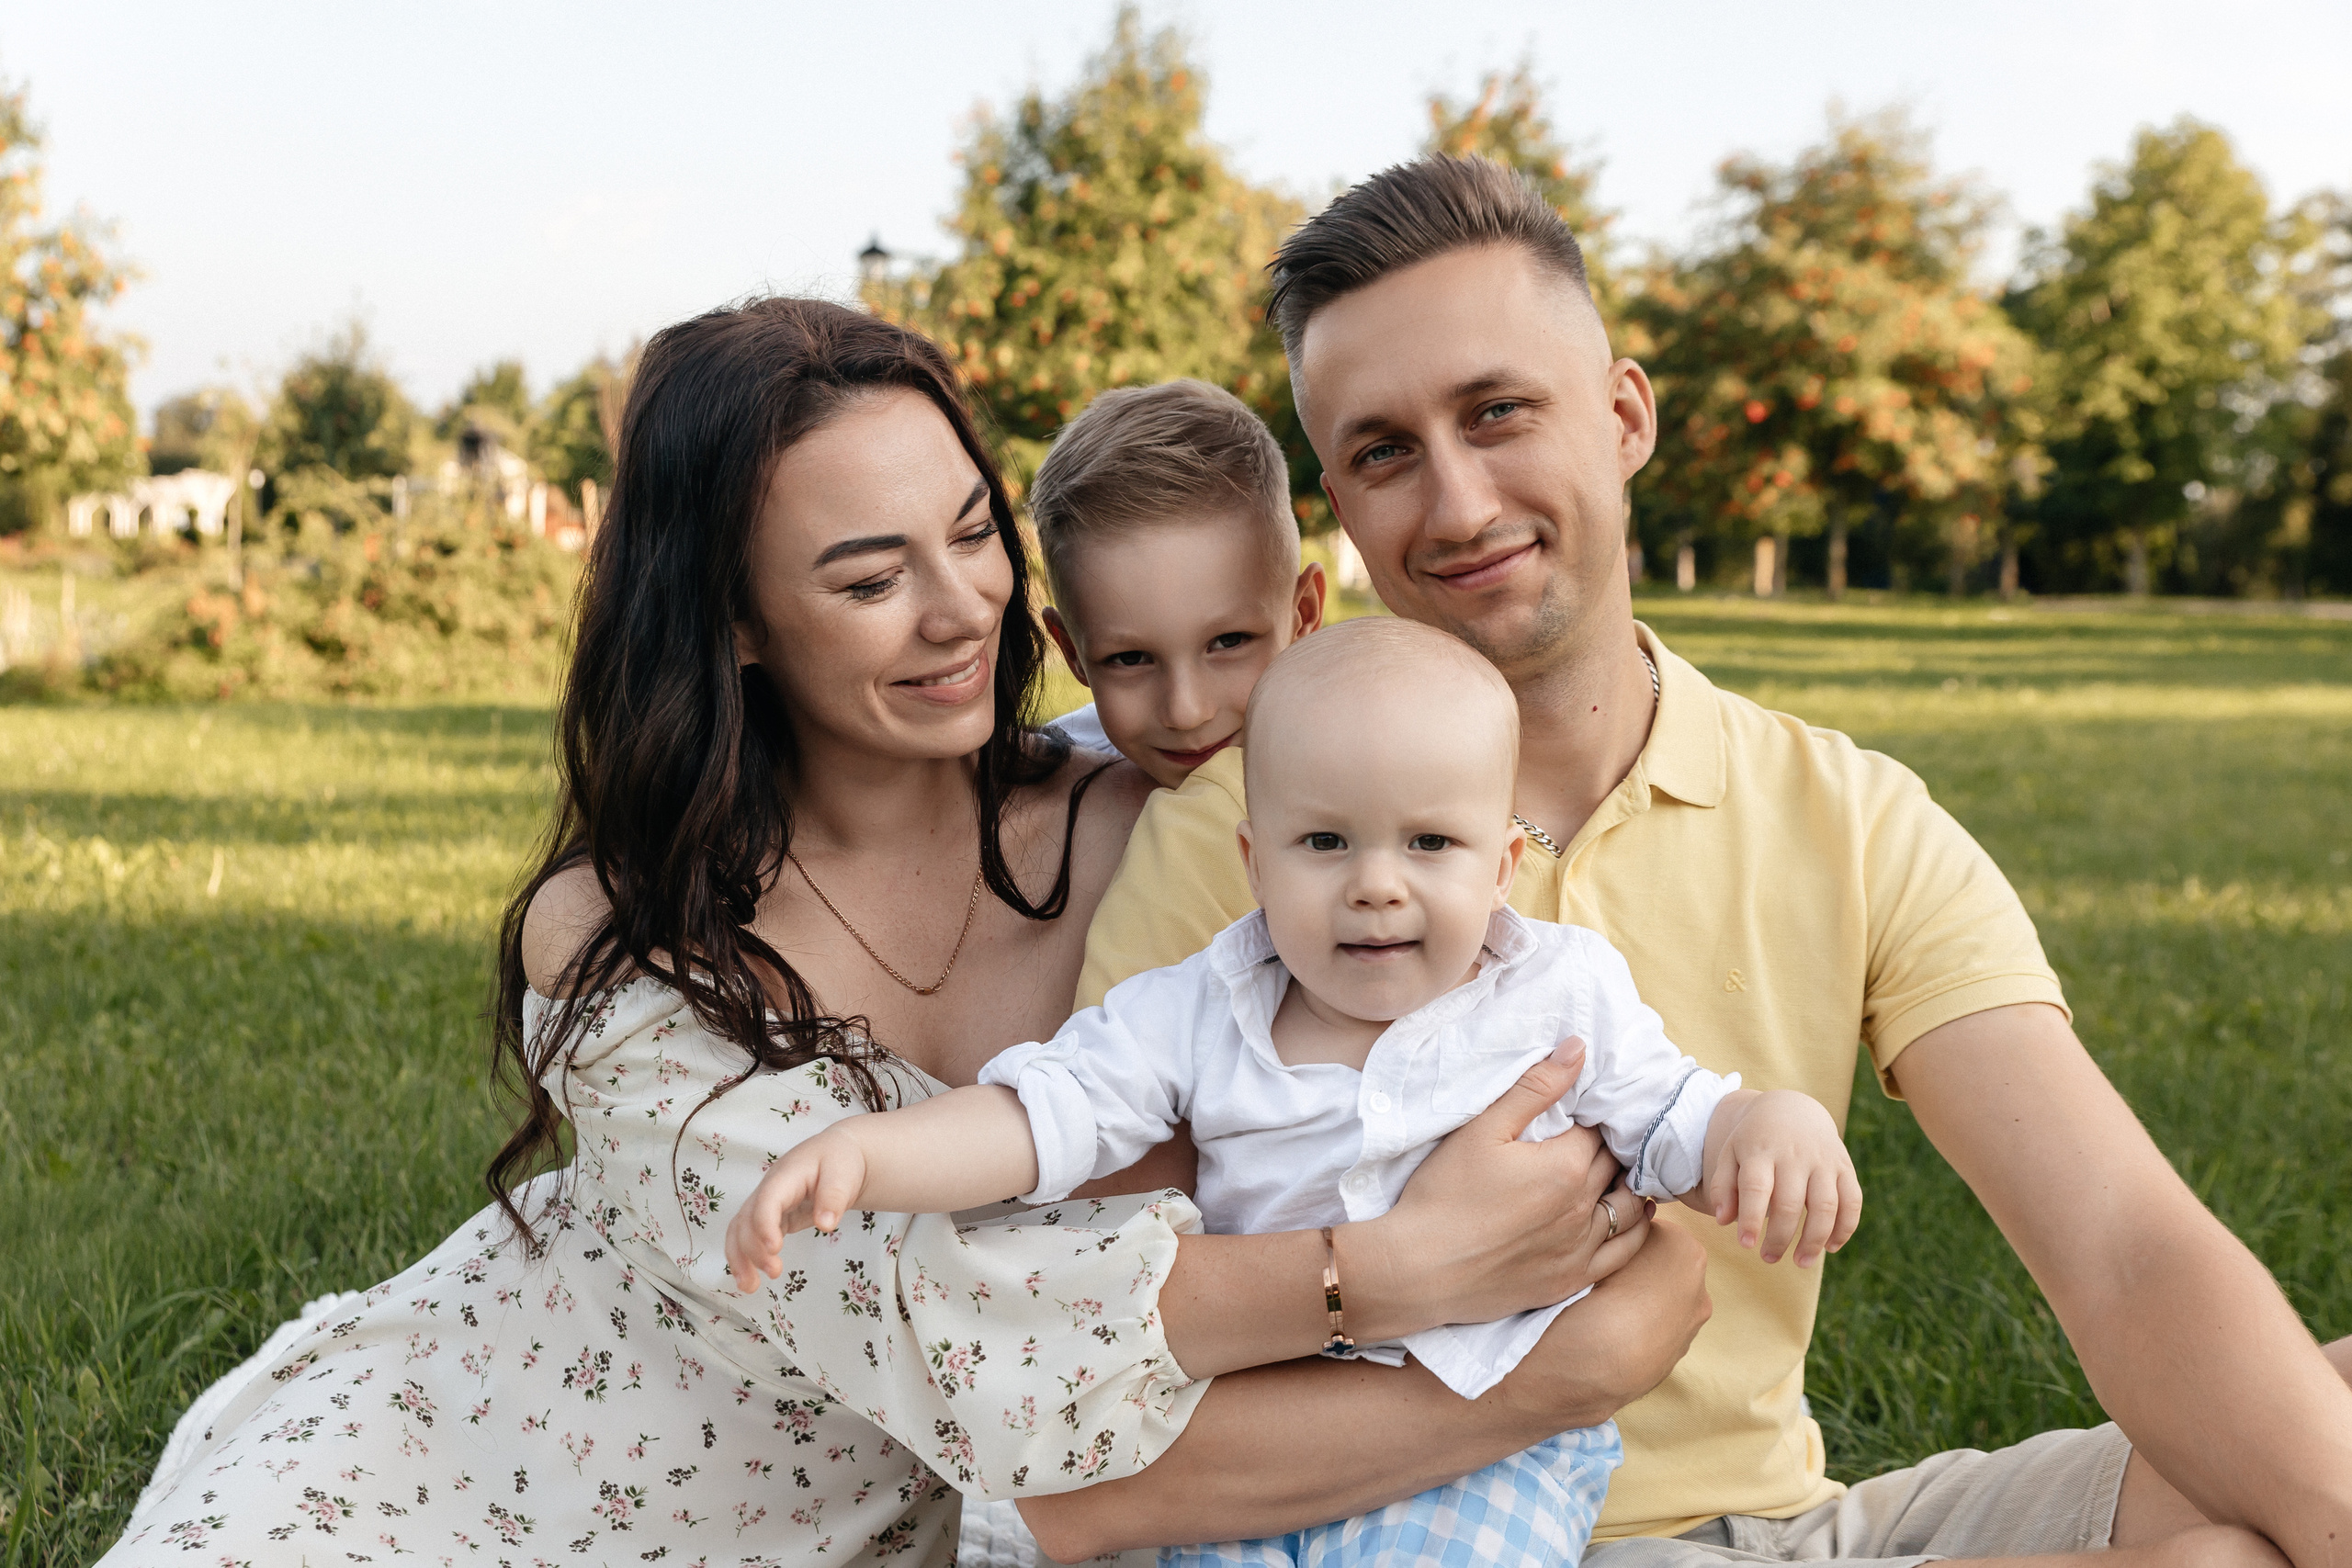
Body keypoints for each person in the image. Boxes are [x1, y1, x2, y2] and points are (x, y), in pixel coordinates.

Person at [99, 298, 1713, 1568]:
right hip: (487, 1464)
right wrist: (1408, 1281)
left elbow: (1407, 837)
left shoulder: (1158, 823)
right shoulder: (628, 932)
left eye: (973, 533)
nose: (963, 611)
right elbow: (939, 1315)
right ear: (735, 619)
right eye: (872, 578)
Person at [1032, 156, 2352, 1567]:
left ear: (1624, 415)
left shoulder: (1843, 810)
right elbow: (1084, 1406)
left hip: (1808, 1526)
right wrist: (1478, 1331)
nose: (1458, 502)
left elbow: (2124, 1243)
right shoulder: (1239, 840)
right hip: (1467, 1531)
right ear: (1339, 509)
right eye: (1383, 451)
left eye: (1497, 412)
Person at [729, 616, 1864, 1568]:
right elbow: (1043, 1116)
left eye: (1429, 842)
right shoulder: (1201, 1008)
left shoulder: (1557, 997)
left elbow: (1677, 1120)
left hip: (1488, 1450)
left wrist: (1769, 1122)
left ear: (1499, 867)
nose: (1376, 885)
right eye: (1324, 841)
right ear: (1254, 861)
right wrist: (871, 1157)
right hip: (1257, 1437)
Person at [1031, 378, 1325, 786]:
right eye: (1130, 659)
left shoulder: (1366, 775)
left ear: (1303, 615)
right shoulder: (1044, 791)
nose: (1186, 713)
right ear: (1071, 651)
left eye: (1228, 641)